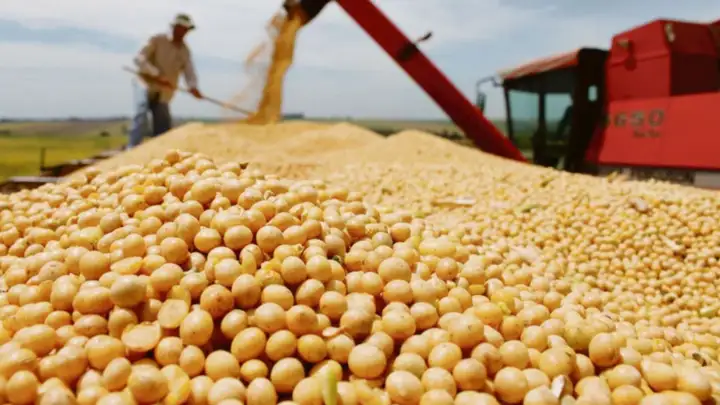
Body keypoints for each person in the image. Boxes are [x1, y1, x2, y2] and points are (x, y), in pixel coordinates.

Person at [127, 13, 203, 149]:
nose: (182, 32)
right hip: (145, 82)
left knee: (163, 124)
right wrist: (156, 74)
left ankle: (160, 152)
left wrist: (193, 87)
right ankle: (132, 149)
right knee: (141, 113)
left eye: (185, 29)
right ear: (174, 27)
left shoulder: (185, 51)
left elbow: (189, 72)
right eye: (180, 28)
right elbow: (139, 59)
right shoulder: (157, 39)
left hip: (164, 90)